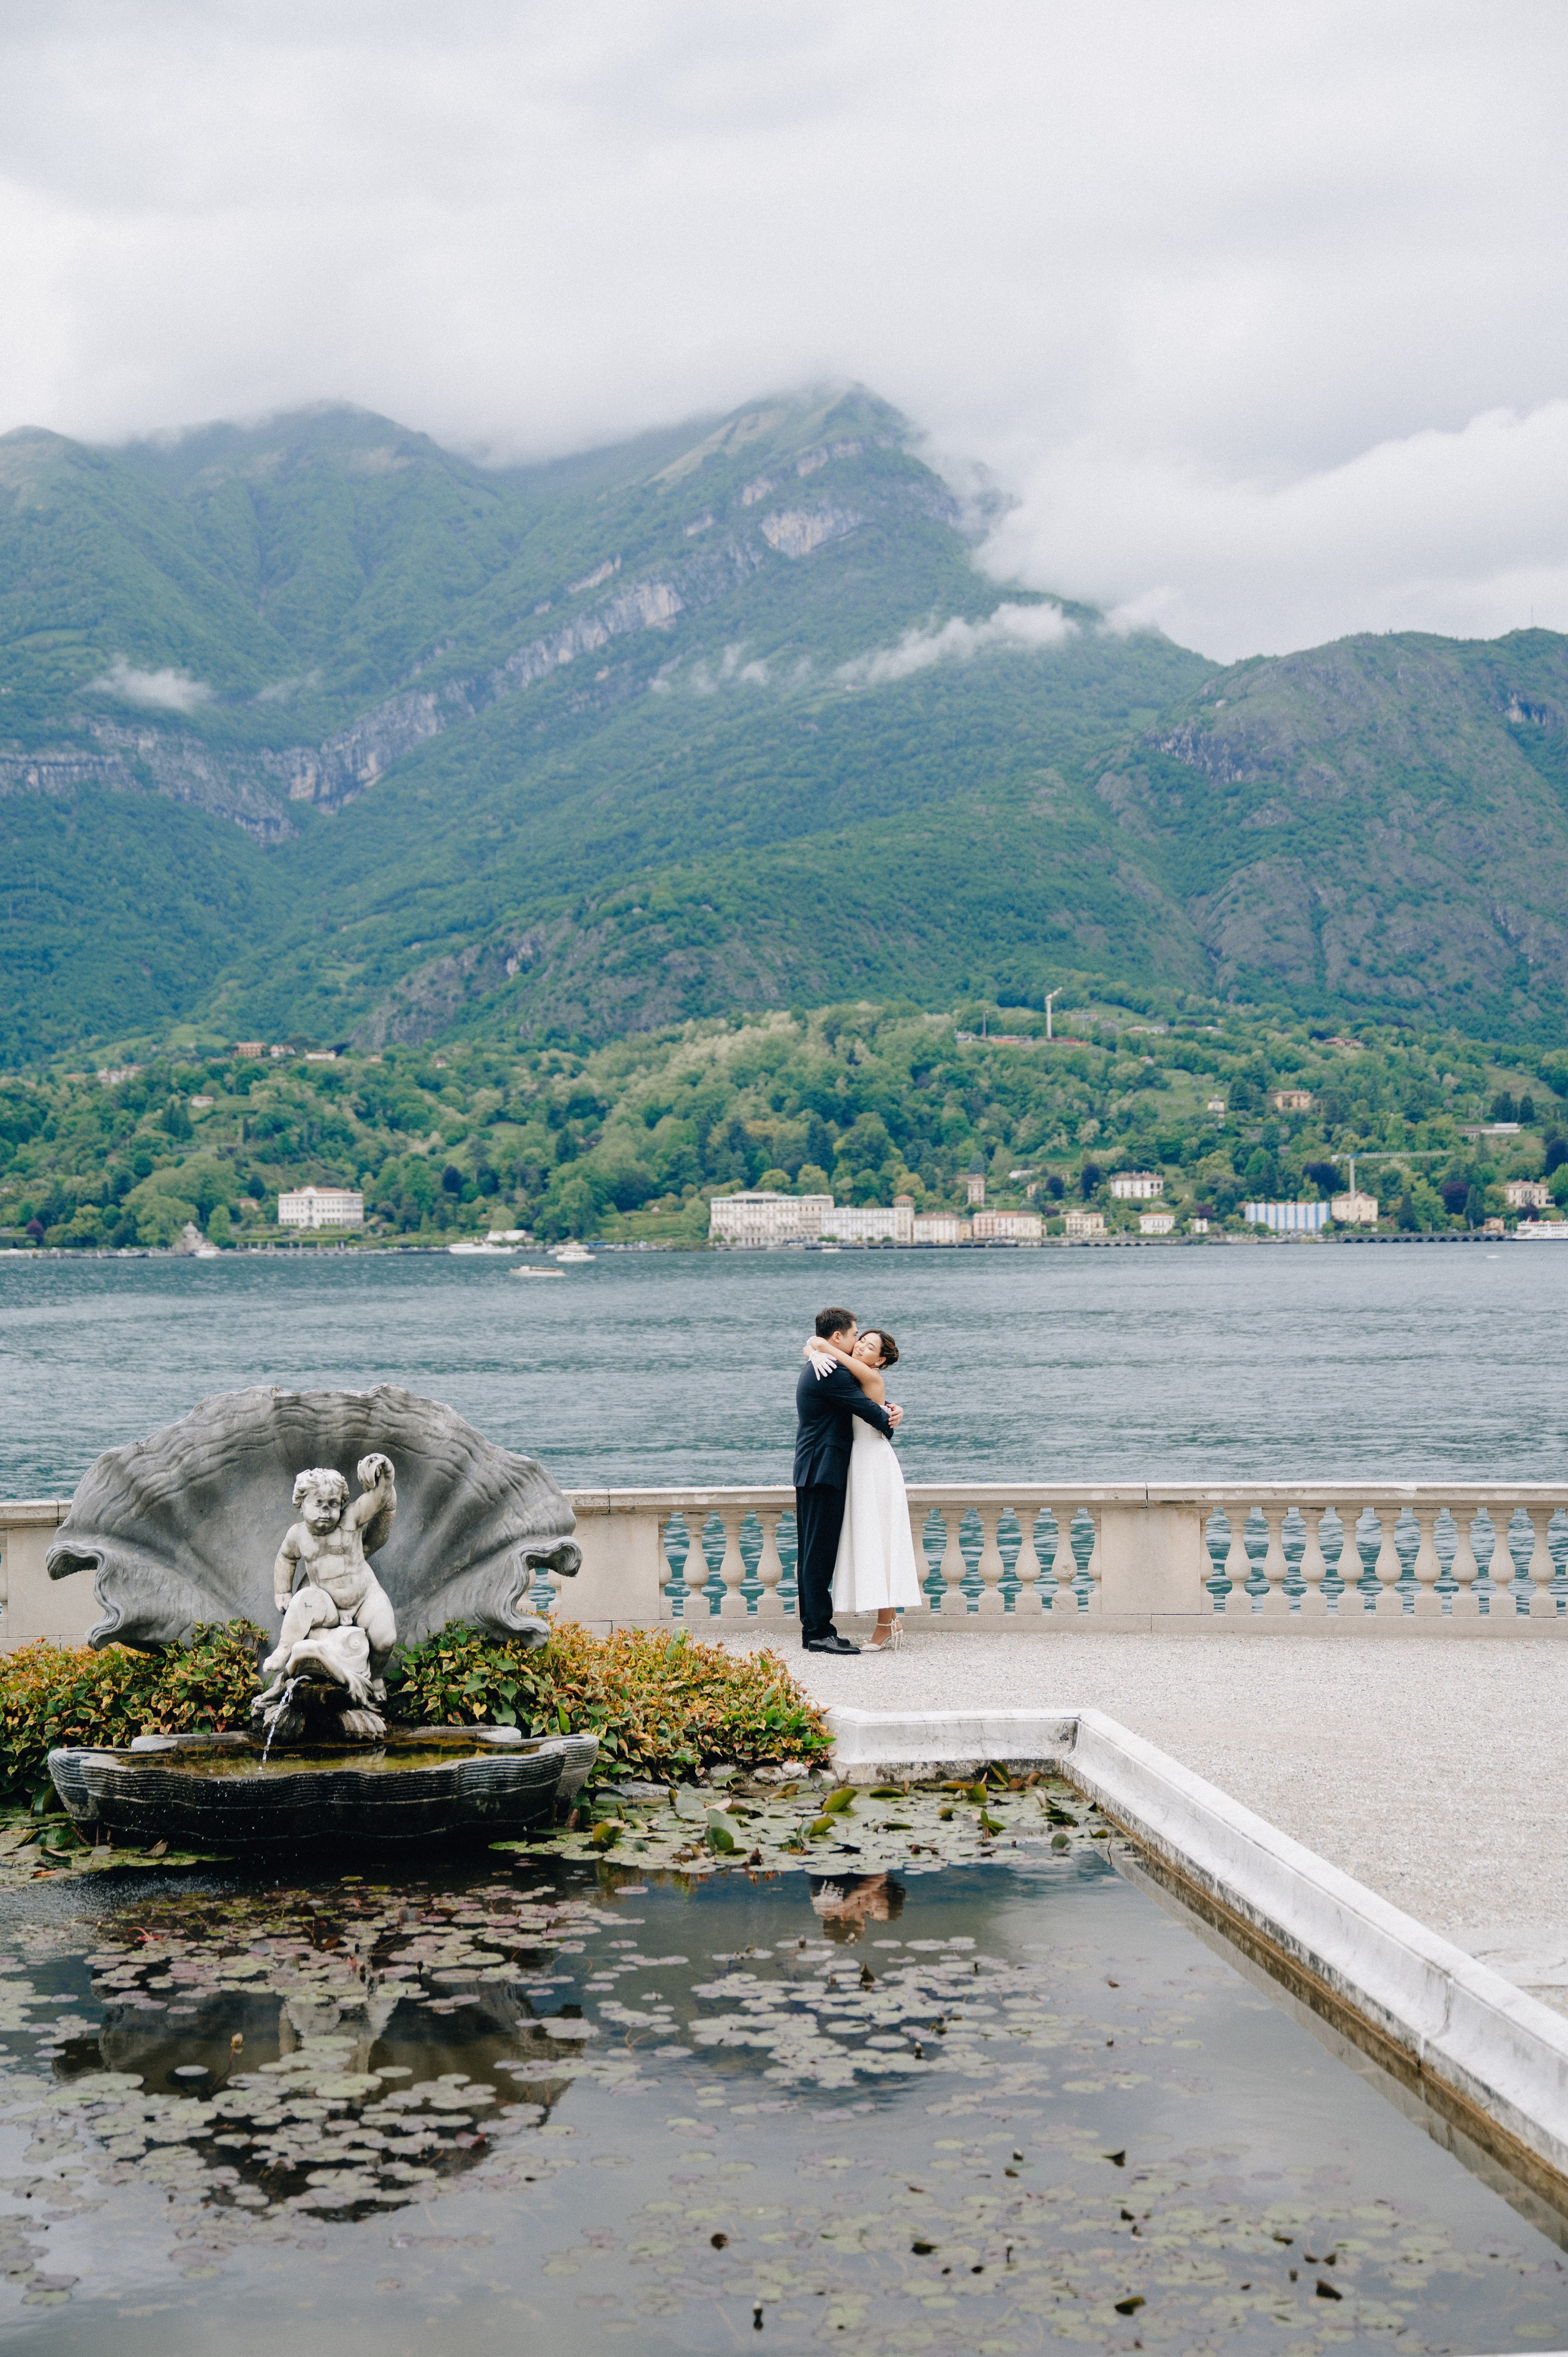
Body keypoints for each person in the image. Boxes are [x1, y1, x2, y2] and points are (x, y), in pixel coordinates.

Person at [792, 1307, 903, 1654]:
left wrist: (815, 1347)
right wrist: (889, 1414)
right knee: (817, 1557)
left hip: (816, 1468)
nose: (858, 1342)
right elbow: (873, 1415)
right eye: (856, 1335)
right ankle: (818, 1633)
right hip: (822, 1471)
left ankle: (816, 1631)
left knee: (813, 1555)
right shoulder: (831, 1371)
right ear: (838, 1336)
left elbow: (859, 1396)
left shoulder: (826, 1364)